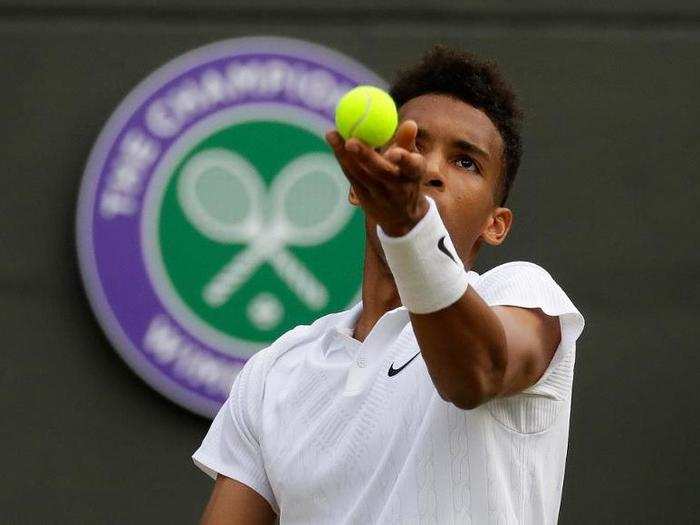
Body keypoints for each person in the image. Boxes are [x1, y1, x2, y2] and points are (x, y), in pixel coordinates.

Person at [192, 44, 585, 524]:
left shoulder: (523, 294)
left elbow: (476, 374)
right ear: (360, 184)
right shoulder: (277, 371)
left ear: (495, 224)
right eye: (414, 145)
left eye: (466, 162)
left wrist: (409, 227)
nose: (430, 170)